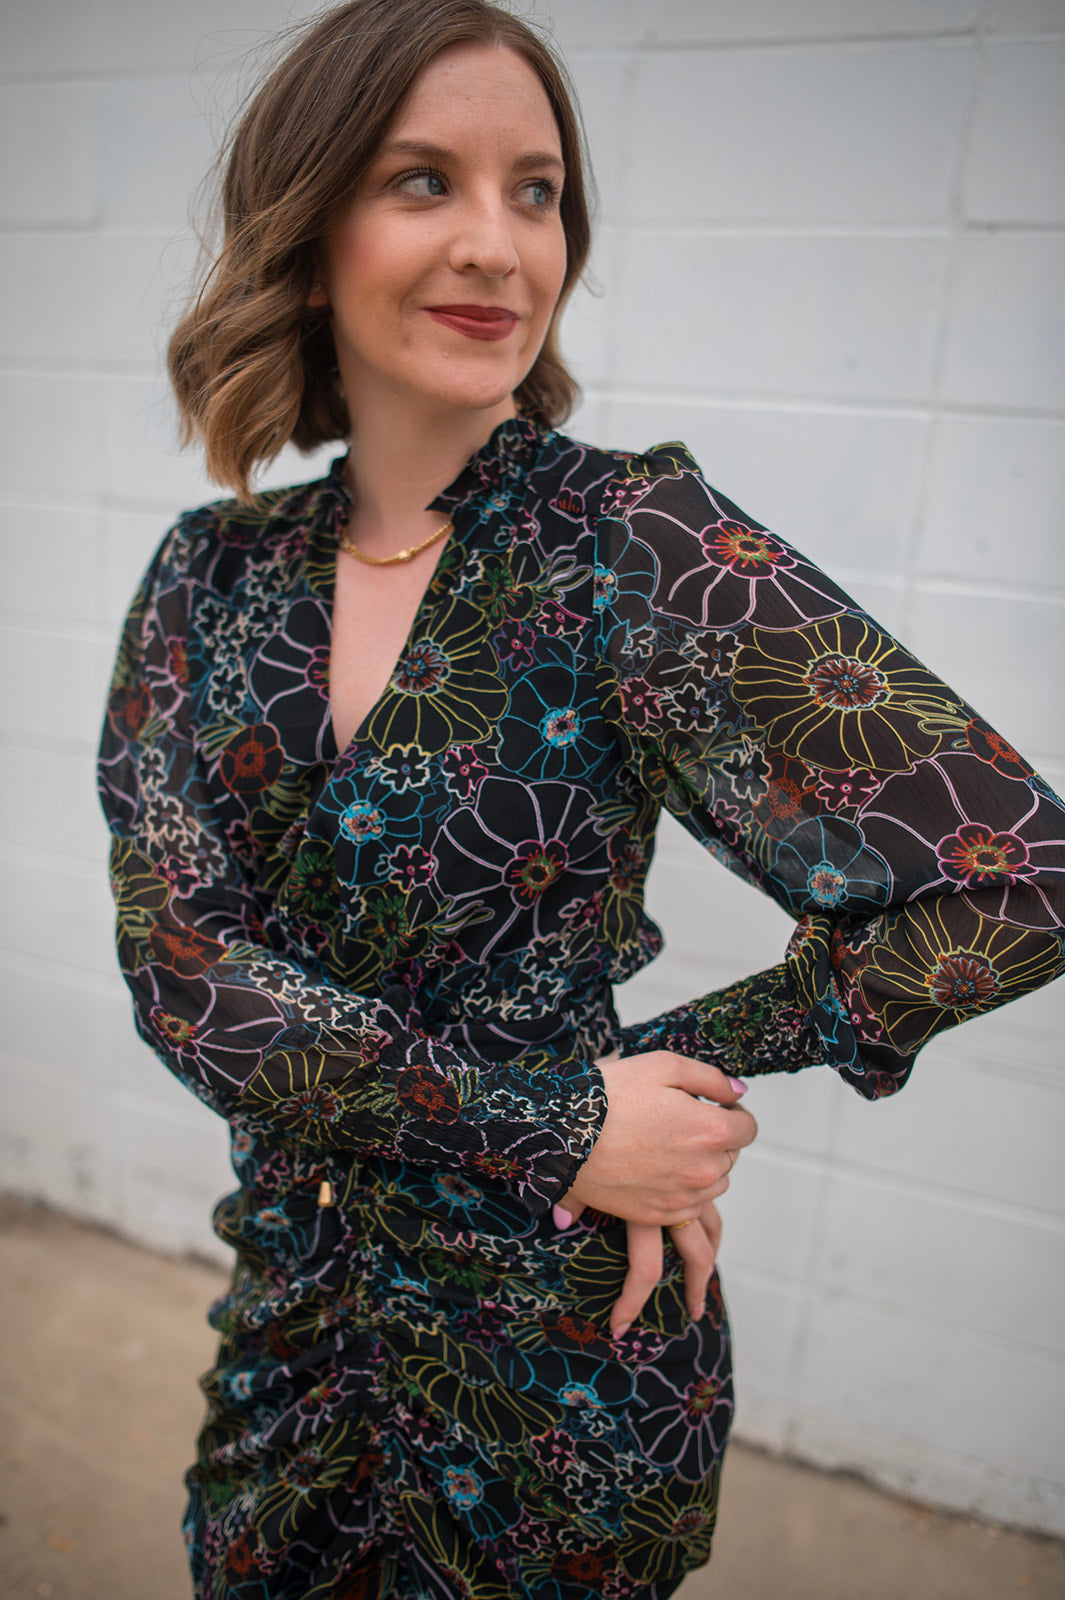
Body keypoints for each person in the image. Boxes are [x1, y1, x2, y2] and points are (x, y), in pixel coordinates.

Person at [97, 1, 1065, 1595]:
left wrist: (665, 1086)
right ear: (309, 228)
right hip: (296, 1328)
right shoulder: (210, 576)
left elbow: (1011, 877)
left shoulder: (630, 545)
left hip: (557, 1359)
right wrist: (556, 1116)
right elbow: (185, 977)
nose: (498, 243)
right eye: (423, 179)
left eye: (535, 191)